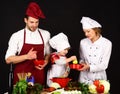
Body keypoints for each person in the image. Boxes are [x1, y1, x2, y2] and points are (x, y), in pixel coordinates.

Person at [5, 2, 51, 85]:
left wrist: (46, 61)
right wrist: (27, 56)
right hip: (22, 78)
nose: (34, 25)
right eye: (31, 22)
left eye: (37, 22)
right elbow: (8, 59)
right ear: (25, 20)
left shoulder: (46, 34)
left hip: (39, 76)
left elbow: (48, 53)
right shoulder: (17, 36)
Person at [78, 16, 112, 84]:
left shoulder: (107, 43)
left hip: (99, 79)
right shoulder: (83, 42)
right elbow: (81, 58)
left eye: (88, 31)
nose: (86, 34)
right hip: (84, 79)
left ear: (96, 30)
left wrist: (89, 67)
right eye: (84, 32)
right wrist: (82, 63)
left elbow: (104, 65)